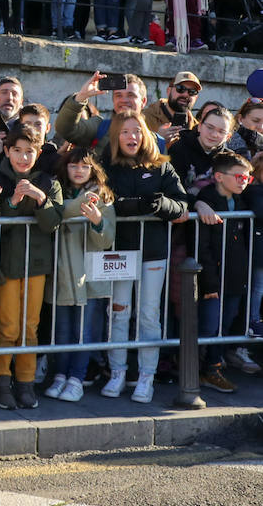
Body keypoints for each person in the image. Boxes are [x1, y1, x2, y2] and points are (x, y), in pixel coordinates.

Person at [102, 111, 188, 403]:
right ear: (116, 136)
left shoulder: (162, 168)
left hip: (153, 253)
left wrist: (161, 204)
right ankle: (117, 373)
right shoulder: (107, 166)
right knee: (119, 314)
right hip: (119, 252)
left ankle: (146, 376)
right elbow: (105, 203)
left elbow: (181, 205)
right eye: (125, 132)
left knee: (149, 315)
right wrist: (138, 206)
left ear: (147, 135)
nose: (132, 137)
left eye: (137, 131)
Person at [0, 122, 63, 410]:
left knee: (30, 326)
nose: (22, 157)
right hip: (7, 265)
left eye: (29, 151)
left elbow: (53, 222)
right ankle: (0, 379)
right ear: (7, 151)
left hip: (36, 265)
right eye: (17, 151)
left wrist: (40, 198)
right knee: (7, 325)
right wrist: (14, 202)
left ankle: (25, 381)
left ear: (38, 152)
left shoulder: (48, 182)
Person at [44, 147, 115, 404]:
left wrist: (97, 221)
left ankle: (77, 378)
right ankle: (60, 375)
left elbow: (107, 238)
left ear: (92, 170)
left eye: (84, 166)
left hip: (88, 277)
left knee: (84, 331)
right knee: (62, 331)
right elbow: (54, 214)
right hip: (62, 274)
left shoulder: (102, 196)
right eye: (73, 166)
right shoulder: (55, 191)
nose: (78, 171)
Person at [191, 150, 259, 394]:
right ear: (219, 176)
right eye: (239, 177)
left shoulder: (242, 200)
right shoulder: (208, 199)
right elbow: (202, 248)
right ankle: (196, 369)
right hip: (213, 279)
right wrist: (209, 284)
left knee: (226, 323)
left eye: (247, 178)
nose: (244, 181)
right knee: (209, 326)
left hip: (234, 277)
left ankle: (213, 367)